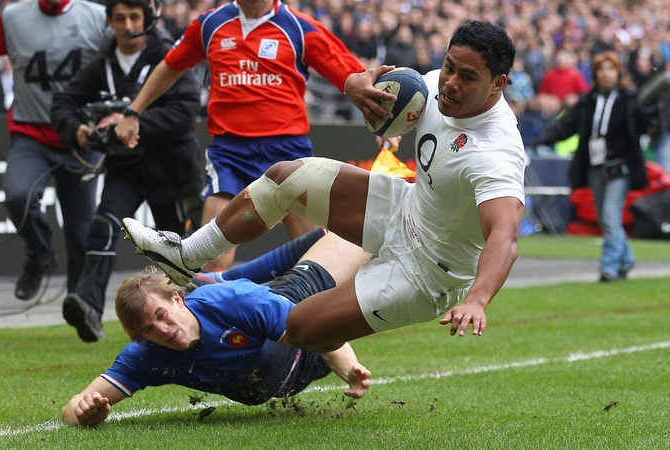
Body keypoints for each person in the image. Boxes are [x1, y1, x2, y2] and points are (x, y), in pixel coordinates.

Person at [121, 21, 526, 354]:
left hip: (430, 273)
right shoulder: (434, 84)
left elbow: (504, 236)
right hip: (404, 209)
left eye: (467, 77)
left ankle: (314, 358)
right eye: (449, 66)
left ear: (498, 83)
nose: (450, 83)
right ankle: (186, 256)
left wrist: (477, 299)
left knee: (301, 329)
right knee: (286, 178)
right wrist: (361, 90)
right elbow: (382, 97)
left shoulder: (496, 151)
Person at [113, 0, 366, 272]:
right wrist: (133, 112)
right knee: (211, 262)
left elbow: (355, 78)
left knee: (319, 257)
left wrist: (387, 126)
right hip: (230, 155)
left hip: (289, 154)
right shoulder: (209, 25)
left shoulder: (300, 27)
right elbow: (171, 66)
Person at [62, 232, 373, 427]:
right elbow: (72, 408)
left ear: (177, 299)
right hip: (277, 363)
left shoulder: (234, 302)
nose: (162, 330)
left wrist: (350, 369)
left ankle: (378, 213)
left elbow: (317, 335)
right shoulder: (146, 354)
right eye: (148, 329)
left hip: (299, 315)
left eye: (161, 315)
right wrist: (84, 411)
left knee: (362, 235)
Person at [50, 0, 205, 343]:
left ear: (148, 19)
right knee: (104, 226)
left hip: (173, 168)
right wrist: (78, 131)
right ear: (109, 21)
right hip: (126, 167)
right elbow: (62, 102)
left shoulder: (170, 56)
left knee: (178, 249)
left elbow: (185, 111)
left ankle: (198, 312)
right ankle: (87, 306)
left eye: (134, 17)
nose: (127, 25)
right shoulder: (102, 63)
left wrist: (130, 121)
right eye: (119, 18)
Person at [0, 0, 109, 300]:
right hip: (31, 133)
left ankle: (80, 304)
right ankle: (40, 254)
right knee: (17, 196)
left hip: (81, 136)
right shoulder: (14, 17)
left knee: (81, 229)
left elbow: (123, 56)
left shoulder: (97, 17)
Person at [535, 51, 652, 282]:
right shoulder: (586, 102)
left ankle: (609, 266)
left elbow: (646, 124)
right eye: (601, 70)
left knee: (609, 215)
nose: (606, 74)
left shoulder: (630, 100)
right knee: (604, 217)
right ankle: (626, 258)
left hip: (620, 166)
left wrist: (652, 111)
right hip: (595, 165)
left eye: (610, 69)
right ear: (595, 74)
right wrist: (543, 139)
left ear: (619, 73)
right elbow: (566, 125)